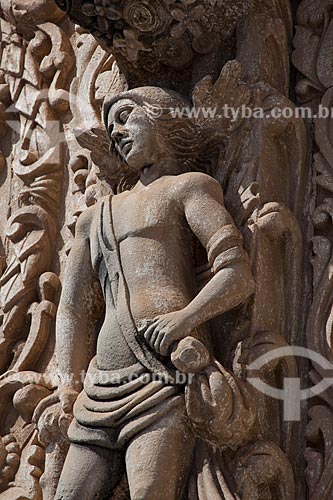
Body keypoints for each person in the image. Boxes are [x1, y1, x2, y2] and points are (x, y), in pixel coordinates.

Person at [55, 86, 254, 500]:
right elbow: (73, 307)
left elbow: (236, 273)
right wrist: (67, 384)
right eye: (111, 129)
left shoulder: (188, 188)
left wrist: (184, 319)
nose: (118, 133)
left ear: (161, 117)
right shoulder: (95, 218)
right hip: (99, 387)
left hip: (163, 376)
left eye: (127, 118)